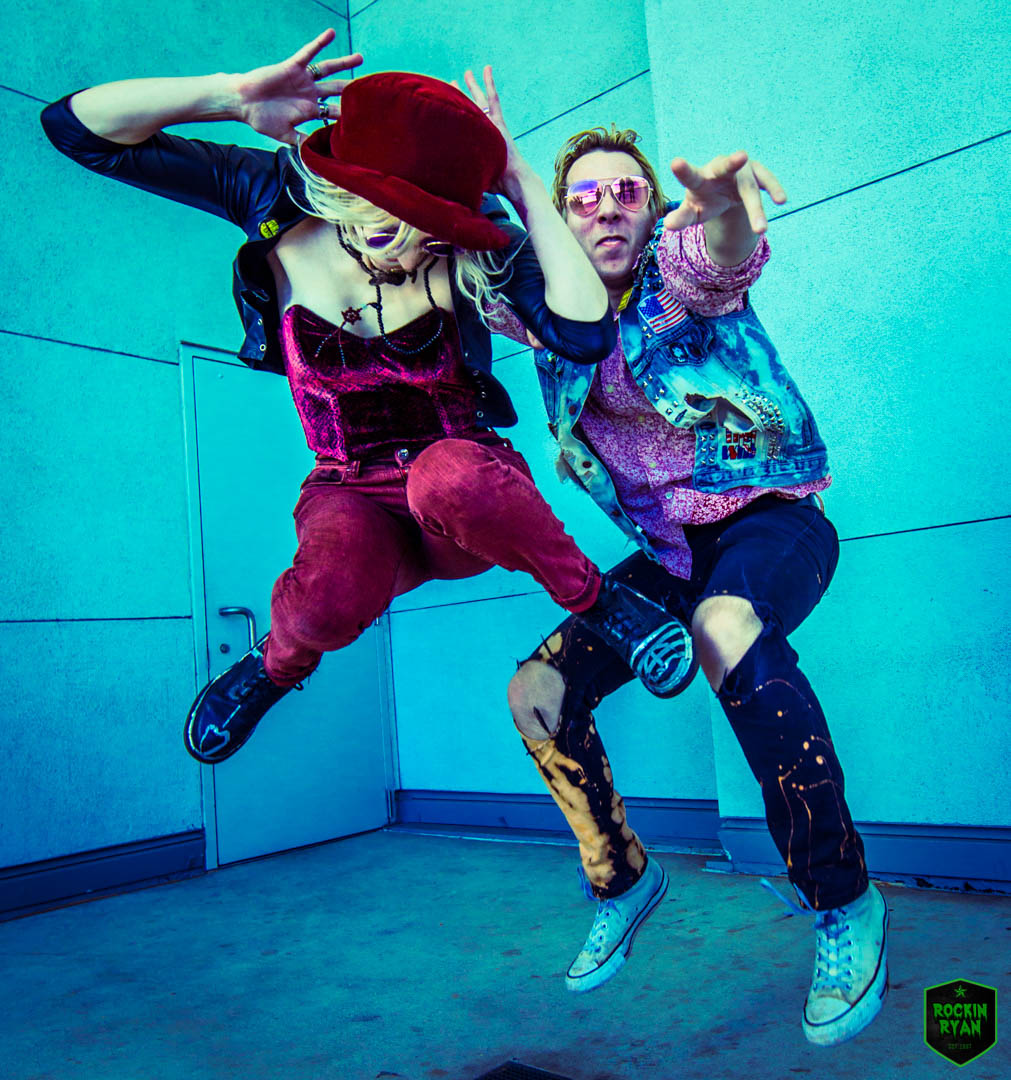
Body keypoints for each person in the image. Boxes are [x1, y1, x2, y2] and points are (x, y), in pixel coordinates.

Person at [40, 32, 698, 766]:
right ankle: (274, 666)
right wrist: (227, 95)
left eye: (416, 214)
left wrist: (518, 183)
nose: (386, 224)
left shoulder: (475, 243)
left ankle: (601, 603)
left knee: (448, 474)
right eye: (370, 196)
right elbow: (75, 128)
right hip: (349, 489)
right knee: (325, 595)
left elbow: (584, 334)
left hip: (466, 504)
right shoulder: (271, 198)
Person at [506, 125, 887, 1047]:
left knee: (723, 627)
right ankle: (623, 879)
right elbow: (455, 260)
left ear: (651, 210)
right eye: (583, 198)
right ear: (559, 220)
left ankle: (842, 898)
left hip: (767, 517)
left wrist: (723, 211)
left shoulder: (672, 276)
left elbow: (719, 258)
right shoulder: (543, 308)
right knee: (536, 692)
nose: (606, 210)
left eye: (626, 193)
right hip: (671, 552)